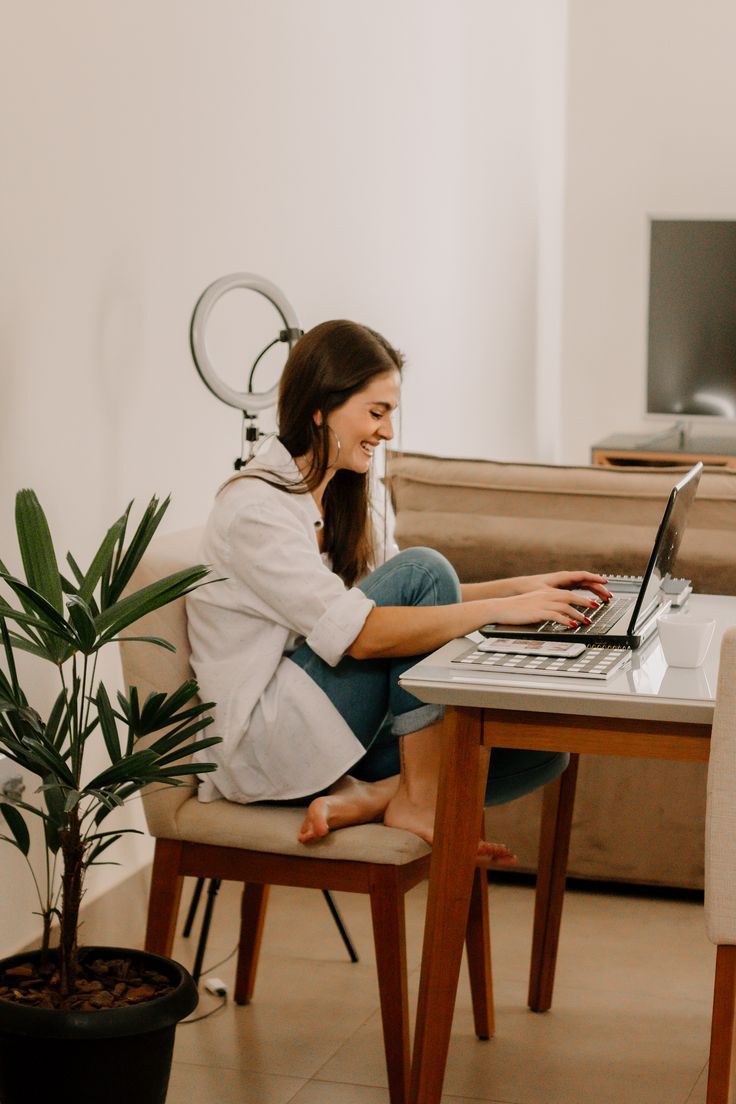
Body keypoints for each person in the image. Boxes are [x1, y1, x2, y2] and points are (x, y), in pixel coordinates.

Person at [187, 320, 610, 861]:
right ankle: (416, 797)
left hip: (330, 725)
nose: (387, 432)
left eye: (391, 415)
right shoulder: (254, 509)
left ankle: (374, 797)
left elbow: (411, 604)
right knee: (426, 570)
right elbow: (365, 633)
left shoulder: (346, 496)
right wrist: (507, 608)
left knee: (539, 752)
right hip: (266, 744)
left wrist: (525, 588)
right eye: (376, 412)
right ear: (320, 408)